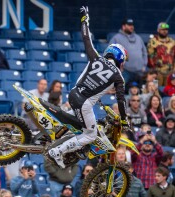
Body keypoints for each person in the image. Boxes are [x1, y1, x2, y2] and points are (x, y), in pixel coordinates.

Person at [48, 7, 130, 168]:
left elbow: (86, 38)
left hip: (73, 94)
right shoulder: (118, 77)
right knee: (91, 134)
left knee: (71, 121)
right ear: (120, 58)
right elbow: (121, 101)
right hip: (84, 104)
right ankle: (58, 151)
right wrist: (124, 118)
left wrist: (84, 18)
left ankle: (46, 135)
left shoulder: (95, 58)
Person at [109, 18, 147, 85]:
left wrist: (144, 65)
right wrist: (117, 67)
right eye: (129, 25)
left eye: (132, 25)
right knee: (120, 89)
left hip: (139, 71)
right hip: (125, 71)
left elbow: (144, 52)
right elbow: (110, 54)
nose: (131, 27)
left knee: (140, 91)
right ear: (123, 27)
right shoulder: (116, 38)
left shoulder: (138, 38)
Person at [147, 22, 175, 86]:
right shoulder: (153, 41)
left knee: (169, 90)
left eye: (166, 30)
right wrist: (153, 70)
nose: (164, 31)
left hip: (170, 72)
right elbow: (150, 56)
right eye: (162, 30)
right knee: (155, 89)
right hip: (157, 72)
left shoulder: (172, 42)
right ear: (158, 30)